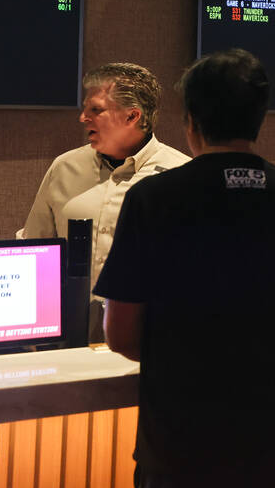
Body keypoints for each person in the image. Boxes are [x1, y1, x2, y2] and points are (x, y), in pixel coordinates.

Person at [95, 49, 275, 488]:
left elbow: (121, 334)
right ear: (259, 118)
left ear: (191, 120)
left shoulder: (152, 199)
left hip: (180, 443)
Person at [19, 63, 188, 339]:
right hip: (68, 342)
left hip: (150, 341)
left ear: (132, 116)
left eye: (96, 110)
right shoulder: (64, 167)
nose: (83, 117)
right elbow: (33, 250)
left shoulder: (180, 176)